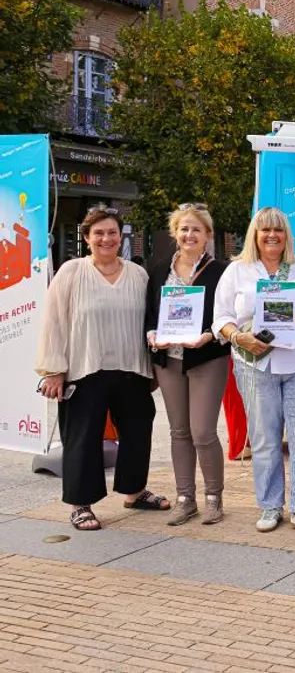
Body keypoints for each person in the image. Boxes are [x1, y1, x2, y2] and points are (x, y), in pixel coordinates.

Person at [36, 207, 168, 531]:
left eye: (112, 232)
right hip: (85, 369)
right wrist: (53, 369)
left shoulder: (138, 275)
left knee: (138, 432)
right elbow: (53, 322)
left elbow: (150, 322)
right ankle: (81, 504)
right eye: (99, 233)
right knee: (83, 438)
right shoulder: (70, 273)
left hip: (131, 369)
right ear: (86, 238)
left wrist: (152, 368)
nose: (106, 238)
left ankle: (134, 491)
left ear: (120, 236)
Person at [213, 207, 295, 537]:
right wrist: (238, 337)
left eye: (278, 230)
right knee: (266, 440)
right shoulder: (238, 270)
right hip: (255, 366)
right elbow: (220, 317)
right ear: (255, 234)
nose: (271, 235)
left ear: (287, 236)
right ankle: (270, 506)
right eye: (265, 230)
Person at [144, 203, 230, 526]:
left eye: (196, 229)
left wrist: (210, 335)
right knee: (178, 431)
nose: (189, 234)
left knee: (203, 431)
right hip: (169, 360)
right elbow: (149, 315)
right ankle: (185, 498)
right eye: (184, 228)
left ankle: (213, 497)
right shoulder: (159, 269)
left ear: (207, 234)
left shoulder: (221, 272)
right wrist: (153, 335)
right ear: (175, 233)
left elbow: (229, 316)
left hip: (206, 356)